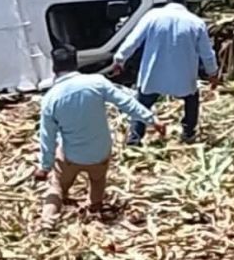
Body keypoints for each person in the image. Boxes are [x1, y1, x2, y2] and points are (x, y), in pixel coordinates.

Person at [35, 43, 166, 229]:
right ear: (76, 63)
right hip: (99, 153)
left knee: (57, 185)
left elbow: (47, 136)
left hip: (70, 156)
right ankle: (94, 212)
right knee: (97, 181)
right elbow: (126, 103)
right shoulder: (97, 83)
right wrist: (152, 120)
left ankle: (47, 221)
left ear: (54, 68)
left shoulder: (50, 99)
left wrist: (44, 166)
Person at [111, 0, 218, 146]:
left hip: (154, 73)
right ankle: (188, 132)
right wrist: (213, 73)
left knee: (142, 104)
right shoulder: (196, 23)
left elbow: (133, 41)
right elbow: (207, 53)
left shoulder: (152, 17)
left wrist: (119, 60)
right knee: (191, 100)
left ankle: (135, 138)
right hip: (183, 76)